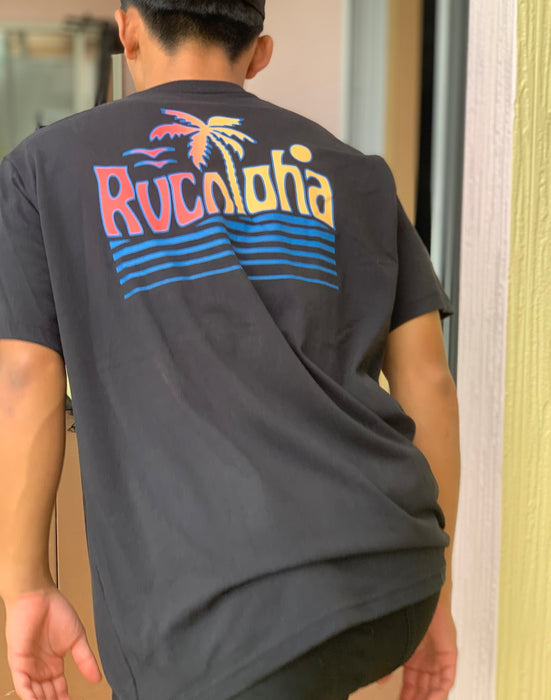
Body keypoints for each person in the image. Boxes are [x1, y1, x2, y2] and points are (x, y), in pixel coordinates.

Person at [0, 1, 460, 698]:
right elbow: (430, 380)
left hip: (213, 612)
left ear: (128, 29)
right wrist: (440, 594)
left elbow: (23, 379)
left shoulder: (43, 169)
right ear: (259, 54)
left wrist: (25, 584)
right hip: (393, 566)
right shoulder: (356, 172)